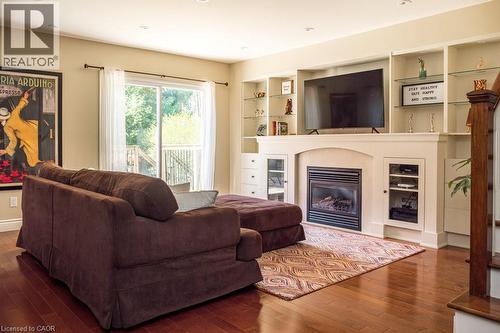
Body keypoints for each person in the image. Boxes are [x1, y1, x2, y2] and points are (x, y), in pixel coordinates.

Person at [0, 89, 40, 167]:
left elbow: (13, 141)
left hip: (28, 138)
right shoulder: (14, 114)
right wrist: (25, 97)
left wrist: (6, 151)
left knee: (33, 161)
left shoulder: (7, 127)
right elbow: (20, 106)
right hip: (34, 127)